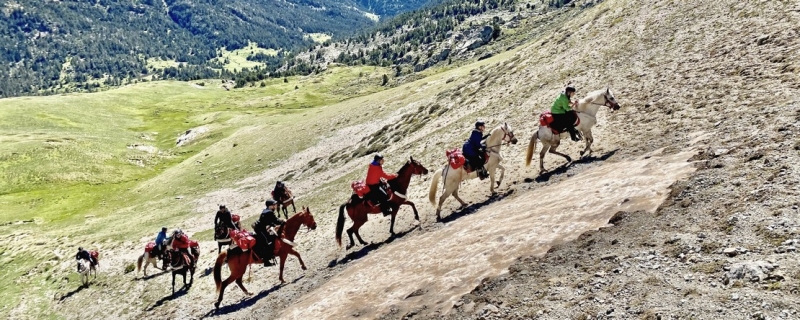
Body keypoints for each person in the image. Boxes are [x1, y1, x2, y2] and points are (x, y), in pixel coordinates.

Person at [252, 200, 284, 267]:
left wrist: (274, 224)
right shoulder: (269, 212)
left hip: (263, 229)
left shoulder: (267, 211)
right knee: (268, 243)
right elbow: (276, 220)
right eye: (274, 205)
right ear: (270, 206)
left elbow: (269, 221)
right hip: (261, 230)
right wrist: (283, 221)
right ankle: (266, 261)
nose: (275, 206)